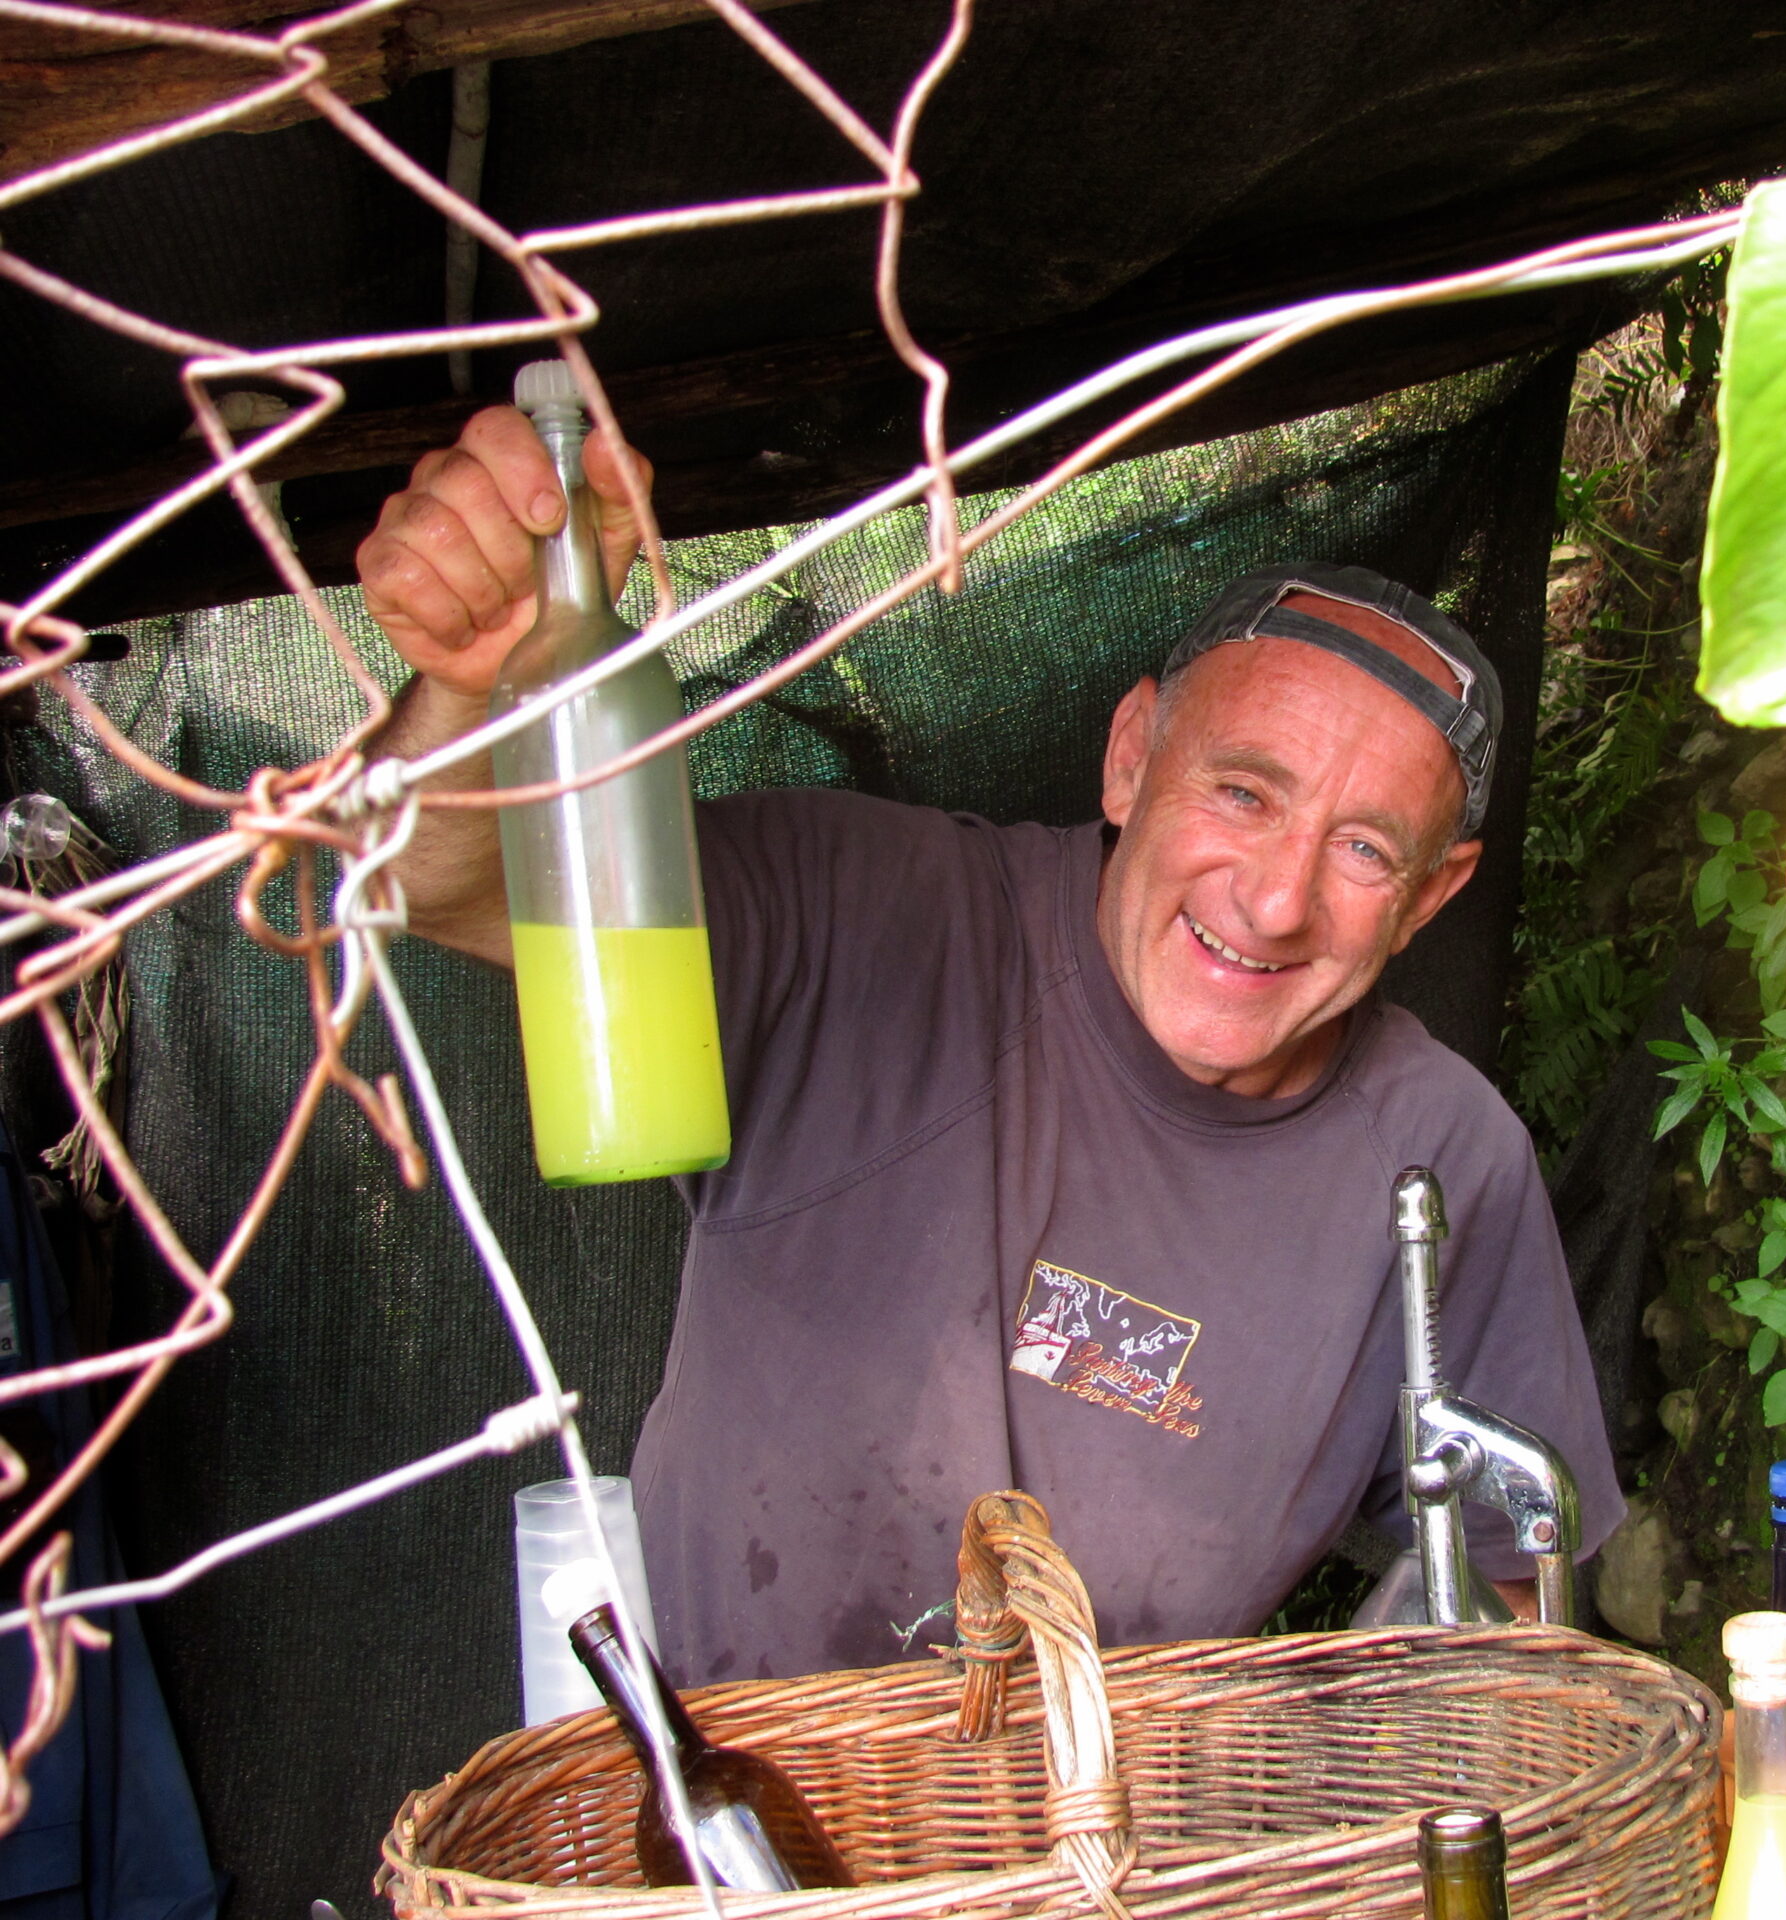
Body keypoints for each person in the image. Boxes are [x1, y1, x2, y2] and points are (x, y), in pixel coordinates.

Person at [355, 406, 1624, 1682]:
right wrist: (476, 685)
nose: (1278, 899)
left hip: (1107, 1860)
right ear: (1131, 760)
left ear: (1434, 893)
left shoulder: (1441, 1158)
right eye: (1243, 793)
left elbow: (1514, 1601)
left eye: (1363, 850)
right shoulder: (866, 911)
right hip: (727, 1829)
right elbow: (435, 886)